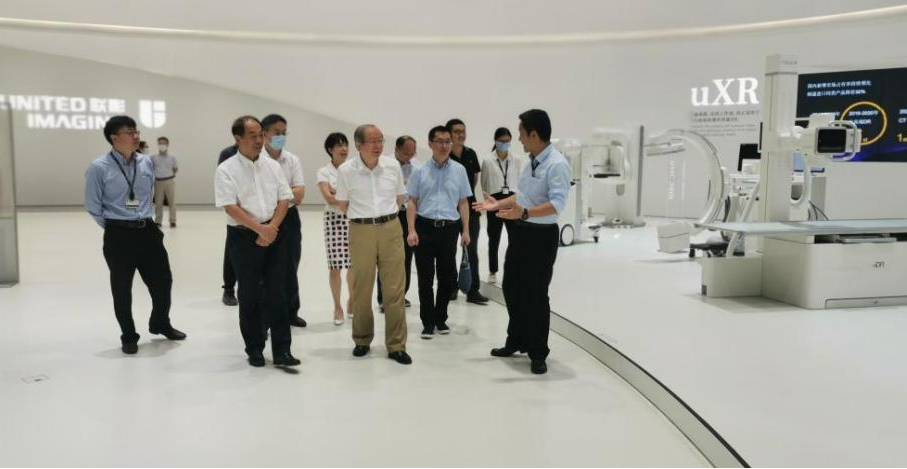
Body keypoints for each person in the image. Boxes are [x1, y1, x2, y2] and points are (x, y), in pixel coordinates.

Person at [473, 109, 570, 376]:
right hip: (521, 233)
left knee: (536, 294)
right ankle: (516, 340)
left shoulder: (557, 164)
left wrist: (525, 213)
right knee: (512, 288)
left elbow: (557, 204)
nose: (518, 139)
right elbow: (522, 196)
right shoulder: (532, 162)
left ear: (534, 134)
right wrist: (496, 204)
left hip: (541, 236)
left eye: (521, 133)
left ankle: (538, 352)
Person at [84, 115, 186, 355]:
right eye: (130, 132)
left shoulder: (146, 162)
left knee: (163, 281)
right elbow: (93, 206)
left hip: (147, 230)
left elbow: (148, 195)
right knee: (122, 288)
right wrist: (116, 226)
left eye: (136, 131)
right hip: (118, 235)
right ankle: (128, 335)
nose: (136, 136)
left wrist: (142, 221)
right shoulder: (99, 167)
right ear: (114, 138)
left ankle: (160, 322)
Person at [215, 115, 298, 368]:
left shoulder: (272, 166)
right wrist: (259, 229)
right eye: (253, 136)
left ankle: (282, 351)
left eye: (261, 135)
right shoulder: (226, 169)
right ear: (238, 138)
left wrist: (271, 227)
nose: (259, 140)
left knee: (278, 292)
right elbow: (230, 206)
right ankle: (254, 349)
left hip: (274, 232)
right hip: (243, 237)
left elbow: (284, 198)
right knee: (249, 294)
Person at [335, 124, 412, 366]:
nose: (378, 145)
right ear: (359, 145)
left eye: (381, 141)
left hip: (390, 228)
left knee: (395, 289)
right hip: (361, 229)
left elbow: (399, 198)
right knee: (362, 287)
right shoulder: (346, 170)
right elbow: (343, 204)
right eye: (373, 141)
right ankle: (362, 339)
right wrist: (365, 218)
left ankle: (396, 345)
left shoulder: (392, 166)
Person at [406, 126, 472, 340]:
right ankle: (427, 322)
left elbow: (463, 202)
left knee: (447, 277)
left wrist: (466, 230)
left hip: (449, 229)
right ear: (430, 144)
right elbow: (412, 201)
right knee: (425, 278)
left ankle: (440, 317)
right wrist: (411, 230)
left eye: (447, 141)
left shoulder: (459, 170)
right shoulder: (419, 170)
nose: (444, 145)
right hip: (424, 228)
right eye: (440, 141)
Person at [261, 114, 307, 328]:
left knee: (291, 265)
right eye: (276, 132)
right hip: (265, 218)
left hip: (289, 218)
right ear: (264, 133)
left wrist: (278, 193)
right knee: (266, 269)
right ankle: (267, 317)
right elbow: (261, 195)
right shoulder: (258, 159)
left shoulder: (292, 160)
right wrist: (287, 194)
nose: (281, 136)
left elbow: (300, 194)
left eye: (284, 133)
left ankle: (291, 312)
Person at [447, 118, 488, 305]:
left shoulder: (471, 154)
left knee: (471, 250)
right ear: (449, 134)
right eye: (456, 131)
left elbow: (474, 179)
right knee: (448, 250)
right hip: (448, 209)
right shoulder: (445, 155)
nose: (461, 134)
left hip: (470, 207)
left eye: (463, 131)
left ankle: (473, 290)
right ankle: (451, 287)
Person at [377, 135, 418, 310]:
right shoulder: (383, 165)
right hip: (388, 215)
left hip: (408, 215)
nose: (409, 157)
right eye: (406, 153)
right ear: (396, 149)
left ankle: (401, 294)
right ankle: (383, 298)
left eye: (412, 153)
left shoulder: (416, 168)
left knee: (406, 257)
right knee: (387, 258)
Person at [317, 133, 354, 326]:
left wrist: (336, 192)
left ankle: (352, 301)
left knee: (354, 265)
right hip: (334, 220)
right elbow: (329, 199)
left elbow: (359, 194)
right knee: (335, 266)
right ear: (330, 149)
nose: (344, 148)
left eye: (346, 144)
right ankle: (337, 307)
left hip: (354, 219)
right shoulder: (324, 172)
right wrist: (344, 195)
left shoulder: (354, 168)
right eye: (339, 145)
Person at [480, 127, 524, 284]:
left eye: (507, 141)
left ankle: (514, 268)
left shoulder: (516, 159)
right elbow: (484, 184)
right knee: (494, 238)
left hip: (512, 199)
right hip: (494, 200)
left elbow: (519, 181)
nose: (504, 143)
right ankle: (493, 271)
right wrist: (488, 202)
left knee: (515, 238)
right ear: (496, 141)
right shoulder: (488, 160)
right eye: (501, 141)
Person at [219, 143, 240, 306]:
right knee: (233, 254)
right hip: (237, 213)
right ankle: (229, 290)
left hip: (262, 214)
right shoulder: (228, 154)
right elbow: (223, 184)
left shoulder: (262, 153)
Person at [152, 136, 179, 228]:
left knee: (172, 202)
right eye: (160, 143)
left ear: (167, 144)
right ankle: (158, 221)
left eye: (164, 143)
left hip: (169, 181)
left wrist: (169, 176)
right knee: (158, 203)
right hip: (157, 182)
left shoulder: (172, 157)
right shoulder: (153, 158)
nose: (162, 145)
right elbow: (151, 169)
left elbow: (175, 169)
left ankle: (173, 221)